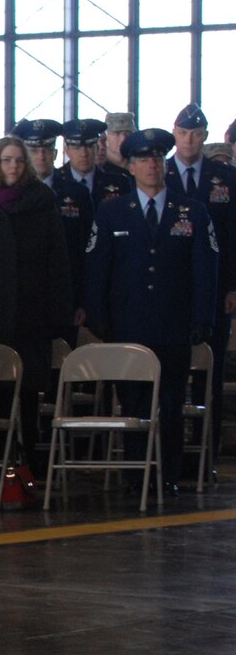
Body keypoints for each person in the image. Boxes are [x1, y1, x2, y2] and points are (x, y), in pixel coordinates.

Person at [85, 128, 217, 488]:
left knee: (172, 405)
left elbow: (206, 271)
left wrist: (202, 318)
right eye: (143, 159)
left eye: (157, 158)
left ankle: (168, 475)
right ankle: (134, 474)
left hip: (173, 326)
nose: (151, 165)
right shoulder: (113, 212)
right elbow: (98, 267)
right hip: (128, 325)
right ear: (130, 166)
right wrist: (97, 316)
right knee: (132, 403)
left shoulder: (192, 210)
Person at [0, 135, 72, 471]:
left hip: (30, 315)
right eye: (7, 160)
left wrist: (58, 313)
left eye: (18, 160)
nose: (13, 166)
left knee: (27, 394)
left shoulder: (41, 200)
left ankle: (28, 468)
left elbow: (58, 261)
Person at [168, 103, 236, 453]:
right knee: (171, 371)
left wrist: (233, 286)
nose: (189, 140)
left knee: (209, 370)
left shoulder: (224, 177)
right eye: (183, 133)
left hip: (213, 289)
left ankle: (205, 447)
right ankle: (171, 446)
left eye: (196, 134)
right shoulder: (158, 172)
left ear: (205, 137)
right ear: (175, 134)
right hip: (169, 289)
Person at [53, 118, 125, 322]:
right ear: (66, 149)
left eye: (89, 145)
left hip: (111, 281)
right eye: (76, 146)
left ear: (98, 146)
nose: (83, 152)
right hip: (71, 281)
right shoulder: (55, 186)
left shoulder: (119, 182)